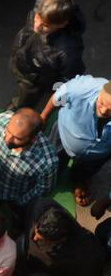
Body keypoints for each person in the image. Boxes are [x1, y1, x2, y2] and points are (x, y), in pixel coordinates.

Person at [41, 75, 111, 207]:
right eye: (101, 103)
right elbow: (58, 96)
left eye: (110, 110)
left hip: (97, 155)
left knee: (86, 171)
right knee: (52, 162)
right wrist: (43, 117)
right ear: (101, 91)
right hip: (63, 137)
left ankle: (79, 181)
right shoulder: (81, 88)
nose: (102, 111)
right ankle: (49, 176)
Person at [9, 0, 85, 111]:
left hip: (34, 79)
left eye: (45, 25)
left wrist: (60, 101)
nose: (37, 26)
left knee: (25, 97)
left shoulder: (67, 52)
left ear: (62, 24)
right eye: (37, 17)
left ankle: (18, 108)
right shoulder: (41, 8)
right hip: (22, 59)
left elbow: (68, 79)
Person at [16, 199, 104, 276]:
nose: (34, 238)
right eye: (36, 232)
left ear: (61, 240)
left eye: (42, 240)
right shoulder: (40, 206)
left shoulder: (84, 257)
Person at [0, 108, 59, 207]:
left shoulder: (47, 161)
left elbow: (43, 188)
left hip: (14, 197)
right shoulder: (0, 121)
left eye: (17, 138)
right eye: (8, 131)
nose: (7, 139)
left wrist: (20, 202)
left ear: (33, 139)